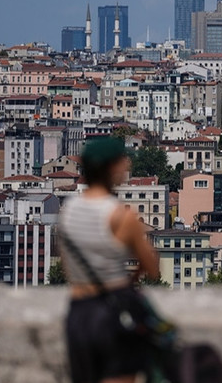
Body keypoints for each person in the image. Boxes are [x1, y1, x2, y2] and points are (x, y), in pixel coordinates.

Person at [59, 138, 161, 383]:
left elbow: (68, 265)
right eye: (121, 161)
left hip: (78, 313)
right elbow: (153, 267)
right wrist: (132, 278)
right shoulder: (120, 216)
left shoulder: (68, 210)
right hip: (111, 314)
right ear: (110, 168)